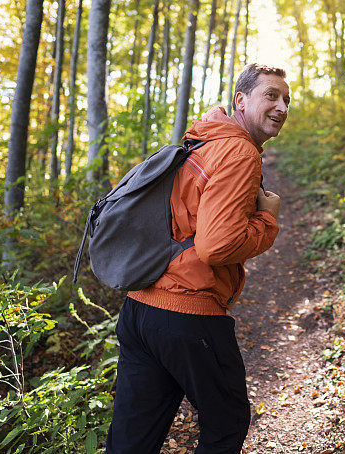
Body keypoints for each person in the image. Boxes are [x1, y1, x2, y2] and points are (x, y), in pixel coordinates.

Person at [105, 63, 290, 453]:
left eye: (287, 100)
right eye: (271, 95)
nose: (282, 106)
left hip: (140, 310)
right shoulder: (239, 152)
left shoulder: (202, 140)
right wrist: (266, 220)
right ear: (241, 100)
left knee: (132, 437)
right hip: (188, 313)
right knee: (227, 422)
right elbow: (216, 246)